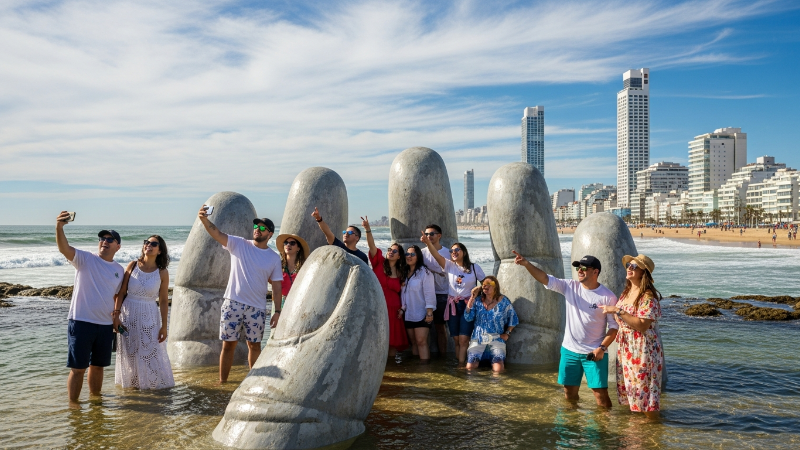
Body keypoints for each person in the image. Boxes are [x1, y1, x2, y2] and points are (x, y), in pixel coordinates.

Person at [513, 251, 618, 407]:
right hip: (570, 351)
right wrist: (527, 264)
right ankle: (572, 420)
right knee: (569, 393)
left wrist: (602, 348)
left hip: (594, 352)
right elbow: (545, 278)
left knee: (600, 395)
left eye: (584, 268)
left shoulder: (608, 296)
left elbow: (614, 327)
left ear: (595, 272)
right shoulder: (570, 286)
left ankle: (604, 423)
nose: (580, 270)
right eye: (578, 268)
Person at [198, 206, 282, 383]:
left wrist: (277, 311)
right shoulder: (239, 244)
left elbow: (276, 286)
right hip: (233, 303)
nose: (257, 230)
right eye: (256, 226)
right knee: (228, 345)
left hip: (257, 308)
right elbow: (217, 234)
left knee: (254, 345)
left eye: (262, 228)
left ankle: (253, 382)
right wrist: (205, 220)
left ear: (270, 234)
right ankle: (222, 383)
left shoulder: (274, 258)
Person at [55, 212, 124, 404]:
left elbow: (117, 296)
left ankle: (95, 404)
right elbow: (64, 249)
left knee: (98, 366)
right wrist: (59, 227)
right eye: (102, 238)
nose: (104, 241)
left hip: (105, 325)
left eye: (110, 239)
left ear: (118, 246)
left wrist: (116, 317)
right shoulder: (85, 259)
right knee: (78, 369)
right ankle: (73, 407)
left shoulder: (119, 270)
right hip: (81, 321)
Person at [601, 254, 664, 419]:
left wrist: (618, 310)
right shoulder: (626, 293)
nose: (629, 268)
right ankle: (642, 429)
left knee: (646, 393)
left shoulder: (647, 296)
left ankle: (653, 427)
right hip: (627, 348)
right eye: (628, 265)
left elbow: (642, 325)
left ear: (643, 272)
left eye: (634, 266)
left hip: (643, 349)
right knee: (634, 392)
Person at [113, 235, 174, 389]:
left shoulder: (162, 272)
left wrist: (164, 326)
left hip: (150, 315)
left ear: (160, 250)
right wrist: (116, 315)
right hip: (128, 314)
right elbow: (121, 292)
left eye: (153, 244)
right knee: (130, 353)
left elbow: (163, 300)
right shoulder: (133, 265)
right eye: (147, 242)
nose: (148, 245)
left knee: (150, 352)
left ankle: (150, 387)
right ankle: (133, 388)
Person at [421, 232, 485, 367]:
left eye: (457, 249)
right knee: (456, 339)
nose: (454, 252)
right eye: (451, 250)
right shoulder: (449, 265)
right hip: (452, 306)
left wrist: (478, 288)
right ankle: (460, 364)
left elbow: (487, 284)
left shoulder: (474, 267)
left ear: (464, 252)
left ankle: (462, 367)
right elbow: (436, 255)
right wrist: (428, 243)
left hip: (468, 306)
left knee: (463, 339)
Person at [361, 217, 409, 362]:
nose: (390, 252)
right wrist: (368, 229)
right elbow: (371, 245)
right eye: (389, 250)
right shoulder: (379, 262)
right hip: (377, 306)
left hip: (394, 310)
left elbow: (405, 294)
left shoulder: (402, 272)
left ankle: (391, 369)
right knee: (376, 340)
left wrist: (402, 309)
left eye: (394, 251)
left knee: (392, 343)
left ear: (399, 256)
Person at [463, 275, 519, 372]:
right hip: (478, 340)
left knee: (498, 369)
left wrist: (507, 333)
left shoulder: (503, 301)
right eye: (484, 284)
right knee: (470, 368)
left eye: (489, 284)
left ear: (495, 286)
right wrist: (472, 297)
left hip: (496, 340)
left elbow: (513, 318)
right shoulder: (477, 301)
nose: (485, 286)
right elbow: (468, 317)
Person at [399, 245, 436, 362]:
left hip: (422, 313)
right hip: (409, 313)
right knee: (414, 342)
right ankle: (416, 368)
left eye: (412, 254)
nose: (409, 256)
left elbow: (429, 293)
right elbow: (403, 294)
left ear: (418, 256)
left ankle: (425, 367)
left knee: (421, 342)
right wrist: (402, 309)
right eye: (407, 254)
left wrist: (429, 312)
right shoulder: (404, 273)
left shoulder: (425, 272)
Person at [420, 224, 452, 356]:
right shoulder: (422, 252)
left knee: (440, 327)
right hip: (425, 294)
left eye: (431, 234)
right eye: (426, 234)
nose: (428, 236)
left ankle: (443, 357)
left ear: (439, 236)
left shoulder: (447, 252)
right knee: (424, 328)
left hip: (443, 294)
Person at [275, 233, 310, 309]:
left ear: (298, 248)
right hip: (281, 305)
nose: (288, 245)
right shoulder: (278, 266)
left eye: (292, 243)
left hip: (297, 305)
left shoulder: (304, 267)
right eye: (286, 243)